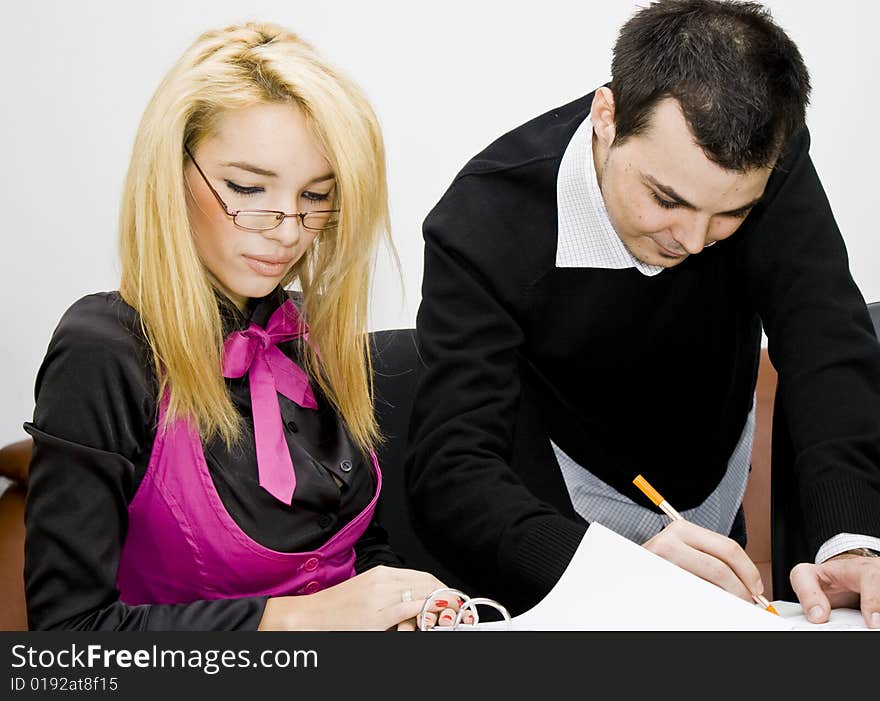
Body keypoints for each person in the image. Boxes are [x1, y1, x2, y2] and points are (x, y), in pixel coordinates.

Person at [406, 0, 880, 626]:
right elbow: (451, 465)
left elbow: (825, 338)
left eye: (731, 216)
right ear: (608, 116)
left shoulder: (770, 157)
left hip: (713, 463)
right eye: (665, 199)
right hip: (563, 494)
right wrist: (605, 567)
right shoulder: (483, 218)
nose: (692, 239)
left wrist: (853, 538)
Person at [23, 22, 466, 631]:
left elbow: (350, 548)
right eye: (248, 188)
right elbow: (67, 643)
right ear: (172, 174)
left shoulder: (306, 334)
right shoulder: (105, 352)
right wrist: (292, 621)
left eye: (316, 196)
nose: (288, 230)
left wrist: (399, 608)